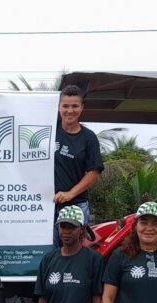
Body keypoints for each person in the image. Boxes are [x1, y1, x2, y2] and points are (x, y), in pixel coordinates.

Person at [53, 84, 104, 246]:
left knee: (73, 251)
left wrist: (70, 193)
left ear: (82, 107)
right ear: (58, 107)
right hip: (46, 205)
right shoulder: (49, 129)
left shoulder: (89, 138)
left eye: (75, 106)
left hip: (76, 206)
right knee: (47, 252)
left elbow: (94, 172)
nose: (70, 111)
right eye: (65, 106)